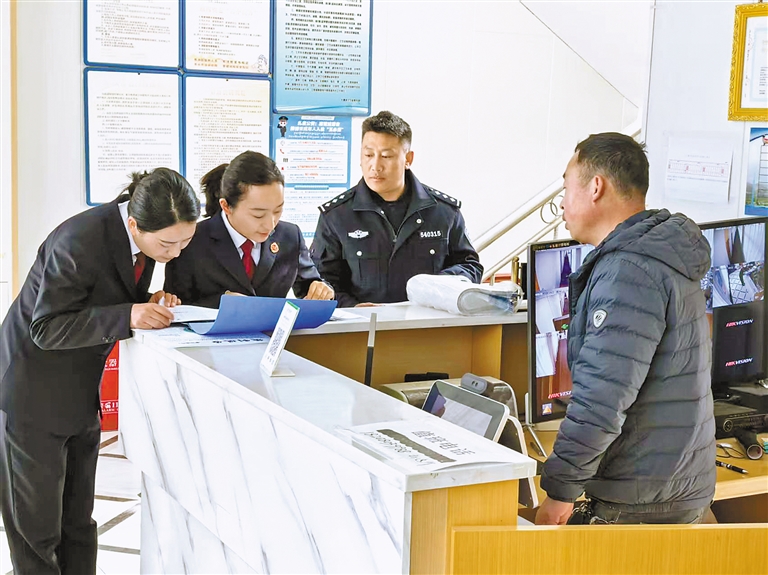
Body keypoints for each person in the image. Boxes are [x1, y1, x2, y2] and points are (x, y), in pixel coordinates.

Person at [0, 168, 200, 574]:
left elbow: (102, 293)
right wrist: (128, 314)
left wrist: (147, 302)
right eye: (167, 244)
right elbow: (46, 327)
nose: (175, 253)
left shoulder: (137, 239)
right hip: (31, 392)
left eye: (185, 242)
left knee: (78, 522)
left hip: (77, 391)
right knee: (37, 530)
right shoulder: (79, 239)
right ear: (134, 224)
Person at [535, 132, 715, 526]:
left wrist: (560, 491)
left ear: (595, 187)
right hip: (673, 485)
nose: (562, 202)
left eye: (566, 187)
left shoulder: (628, 271)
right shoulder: (659, 253)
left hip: (638, 502)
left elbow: (601, 400)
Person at [310, 111, 483, 307]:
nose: (375, 166)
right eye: (368, 155)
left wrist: (441, 283)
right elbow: (321, 282)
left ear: (408, 159)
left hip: (429, 321)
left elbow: (471, 267)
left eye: (386, 156)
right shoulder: (336, 216)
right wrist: (353, 307)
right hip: (363, 322)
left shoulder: (443, 212)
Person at [165, 151, 334, 307]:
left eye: (277, 211)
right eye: (258, 215)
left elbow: (310, 284)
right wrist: (221, 302)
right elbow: (176, 306)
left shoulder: (290, 236)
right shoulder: (192, 241)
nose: (270, 225)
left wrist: (321, 289)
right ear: (226, 206)